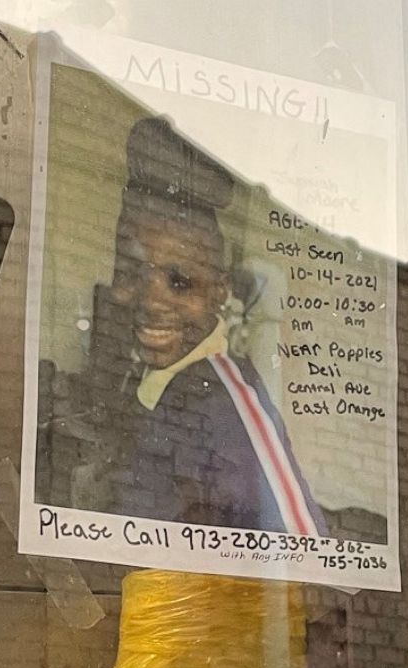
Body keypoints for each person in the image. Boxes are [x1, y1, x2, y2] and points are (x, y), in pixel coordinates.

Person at [36, 116, 326, 536]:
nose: (151, 301)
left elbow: (306, 553)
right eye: (131, 270)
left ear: (220, 291)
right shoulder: (147, 377)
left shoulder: (230, 405)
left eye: (180, 282)